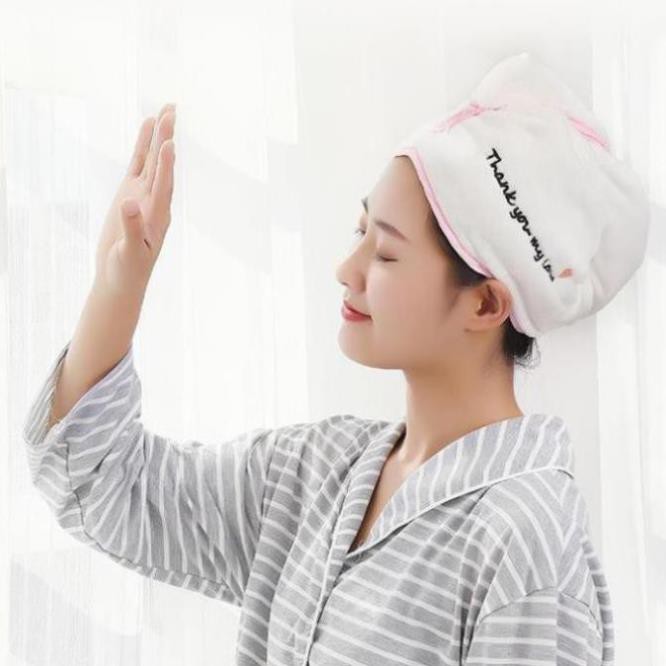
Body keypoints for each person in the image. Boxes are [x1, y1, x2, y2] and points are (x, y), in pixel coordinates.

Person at [24, 52, 650, 665]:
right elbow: (104, 487)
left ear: (485, 304)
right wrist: (118, 286)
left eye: (386, 253)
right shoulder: (315, 472)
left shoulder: (527, 544)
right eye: (360, 232)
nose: (346, 269)